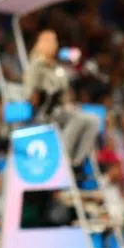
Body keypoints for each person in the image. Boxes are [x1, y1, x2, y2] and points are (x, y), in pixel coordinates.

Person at [22, 30, 100, 167]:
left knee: (93, 119)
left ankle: (77, 161)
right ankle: (62, 156)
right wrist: (39, 94)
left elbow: (65, 94)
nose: (55, 45)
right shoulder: (35, 66)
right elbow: (29, 94)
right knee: (77, 118)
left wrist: (69, 103)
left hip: (61, 109)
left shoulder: (57, 67)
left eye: (56, 41)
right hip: (44, 112)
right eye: (52, 41)